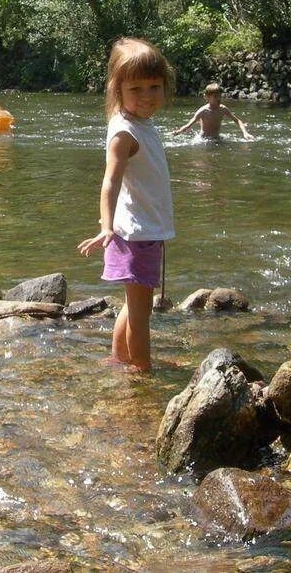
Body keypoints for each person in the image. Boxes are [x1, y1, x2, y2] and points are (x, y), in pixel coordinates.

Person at [77, 38, 175, 373]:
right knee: (140, 312)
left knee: (134, 306)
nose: (147, 96)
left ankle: (120, 358)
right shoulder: (124, 132)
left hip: (144, 229)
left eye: (154, 86)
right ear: (117, 89)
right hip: (136, 235)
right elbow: (110, 181)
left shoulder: (140, 122)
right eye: (136, 89)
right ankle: (141, 370)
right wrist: (105, 226)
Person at [172, 82, 253, 140]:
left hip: (217, 138)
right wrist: (178, 131)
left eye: (219, 96)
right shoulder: (203, 111)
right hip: (203, 139)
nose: (218, 98)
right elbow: (189, 124)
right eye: (215, 96)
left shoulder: (223, 109)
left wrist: (245, 133)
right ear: (207, 97)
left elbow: (237, 121)